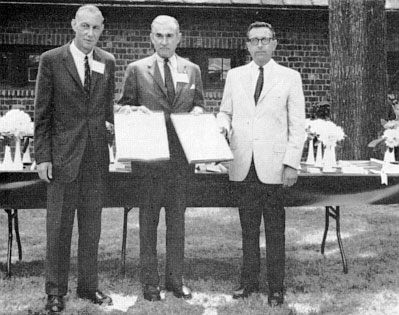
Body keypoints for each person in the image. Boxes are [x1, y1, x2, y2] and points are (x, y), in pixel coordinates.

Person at [115, 15, 205, 301]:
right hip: (149, 161)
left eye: (170, 36)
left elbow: (200, 105)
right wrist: (131, 112)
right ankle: (150, 283)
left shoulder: (192, 70)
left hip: (181, 162)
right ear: (151, 38)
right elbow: (121, 108)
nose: (164, 41)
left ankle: (176, 281)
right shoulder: (137, 69)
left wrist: (199, 114)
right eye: (159, 36)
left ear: (179, 37)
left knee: (177, 223)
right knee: (148, 223)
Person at [217, 21, 305, 307]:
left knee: (275, 230)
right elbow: (225, 112)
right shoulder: (235, 76)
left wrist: (292, 163)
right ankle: (248, 282)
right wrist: (222, 127)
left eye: (265, 40)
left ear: (274, 43)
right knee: (248, 229)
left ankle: (276, 288)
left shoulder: (289, 77)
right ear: (247, 45)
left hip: (275, 167)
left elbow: (297, 125)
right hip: (243, 164)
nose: (259, 46)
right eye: (254, 41)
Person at [34, 4, 115, 313]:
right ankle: (55, 291)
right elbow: (42, 114)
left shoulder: (107, 61)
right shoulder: (52, 61)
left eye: (95, 28)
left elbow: (107, 112)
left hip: (95, 158)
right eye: (84, 26)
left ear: (102, 29)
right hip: (63, 158)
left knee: (91, 226)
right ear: (73, 25)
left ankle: (88, 286)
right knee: (59, 228)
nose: (89, 33)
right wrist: (43, 156)